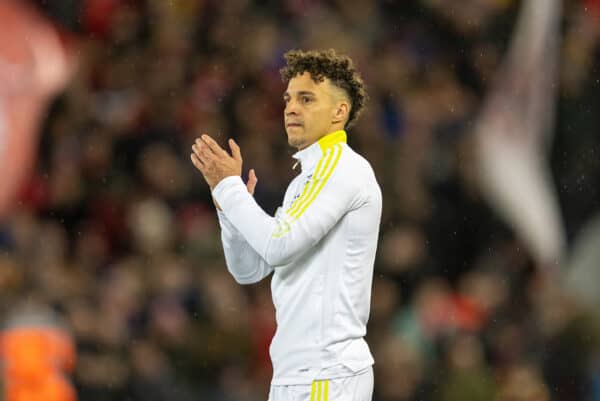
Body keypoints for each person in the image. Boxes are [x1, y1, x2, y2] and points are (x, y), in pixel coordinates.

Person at [191, 49, 381, 401]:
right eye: (289, 98)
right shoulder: (304, 181)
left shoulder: (341, 169)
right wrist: (228, 209)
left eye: (306, 99)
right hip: (296, 375)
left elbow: (279, 245)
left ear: (340, 111)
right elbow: (250, 269)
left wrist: (231, 189)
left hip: (326, 374)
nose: (291, 108)